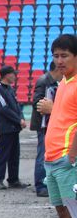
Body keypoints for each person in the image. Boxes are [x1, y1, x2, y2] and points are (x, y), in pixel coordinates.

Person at [38, 35, 77, 218]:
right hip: (53, 159)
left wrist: (73, 154)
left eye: (65, 55)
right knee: (63, 214)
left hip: (67, 160)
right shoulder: (63, 83)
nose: (59, 61)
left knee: (73, 216)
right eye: (56, 56)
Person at [0, 66, 29, 190]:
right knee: (3, 154)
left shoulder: (10, 89)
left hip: (14, 127)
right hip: (6, 128)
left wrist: (21, 118)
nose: (15, 76)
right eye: (13, 74)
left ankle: (13, 180)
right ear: (6, 75)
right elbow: (3, 108)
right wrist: (18, 120)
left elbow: (17, 106)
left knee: (14, 155)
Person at [31, 64, 62, 199]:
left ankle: (47, 183)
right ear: (56, 69)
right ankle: (40, 186)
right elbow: (37, 102)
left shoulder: (52, 82)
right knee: (42, 154)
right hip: (44, 125)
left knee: (48, 153)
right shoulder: (44, 81)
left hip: (50, 123)